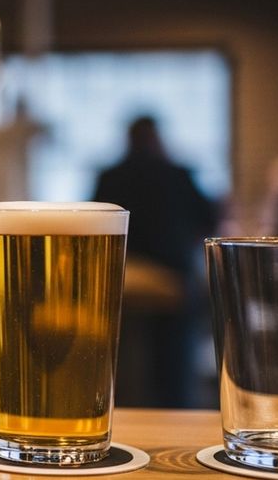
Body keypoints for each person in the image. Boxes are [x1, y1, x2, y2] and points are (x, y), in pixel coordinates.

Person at [93, 115, 218, 408]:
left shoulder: (111, 176)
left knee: (119, 362)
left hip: (119, 284)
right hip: (175, 280)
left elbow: (94, 222)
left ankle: (123, 413)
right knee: (174, 368)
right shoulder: (177, 173)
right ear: (157, 138)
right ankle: (173, 417)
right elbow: (208, 219)